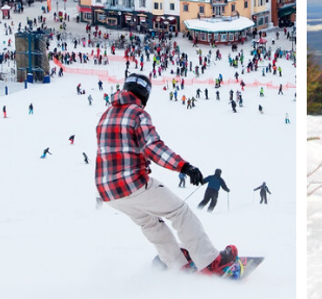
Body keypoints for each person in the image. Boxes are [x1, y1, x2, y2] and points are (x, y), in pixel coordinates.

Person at [95, 72, 237, 274]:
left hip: (108, 192)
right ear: (145, 95)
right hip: (133, 184)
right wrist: (184, 167)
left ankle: (178, 264)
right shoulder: (137, 113)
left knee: (148, 222)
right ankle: (210, 262)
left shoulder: (105, 115)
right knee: (179, 211)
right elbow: (152, 147)